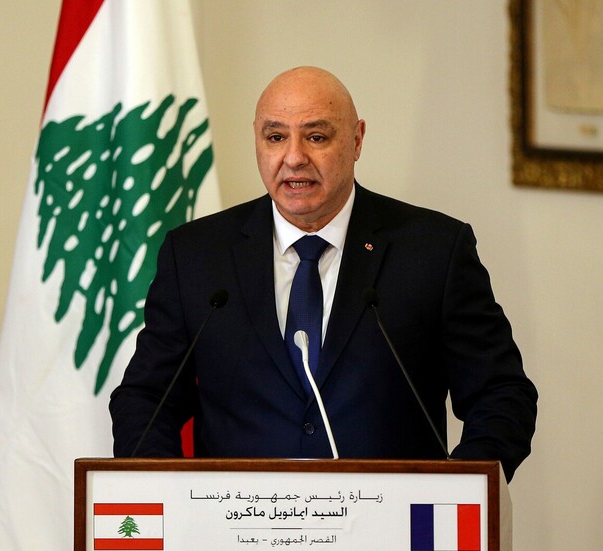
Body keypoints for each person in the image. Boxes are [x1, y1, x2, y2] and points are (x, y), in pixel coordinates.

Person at [109, 66, 537, 481]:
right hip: (236, 519)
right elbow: (146, 398)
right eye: (275, 137)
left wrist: (458, 491)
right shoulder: (197, 255)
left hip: (390, 520)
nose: (294, 158)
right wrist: (166, 492)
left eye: (316, 137)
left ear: (357, 140)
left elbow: (501, 395)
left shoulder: (434, 251)